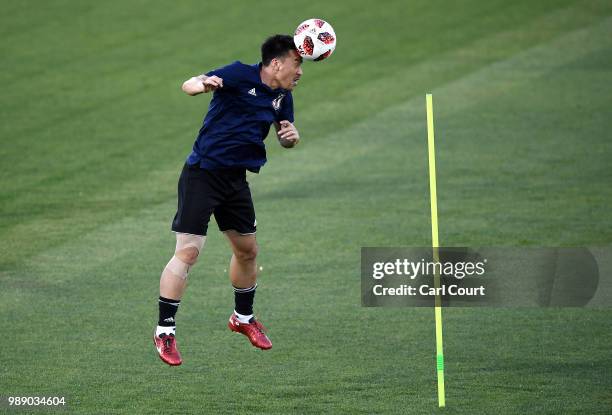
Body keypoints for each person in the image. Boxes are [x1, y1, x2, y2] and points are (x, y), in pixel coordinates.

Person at [153, 34, 303, 366]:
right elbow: (190, 84)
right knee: (189, 251)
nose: (300, 71)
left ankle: (243, 319)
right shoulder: (238, 74)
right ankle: (165, 330)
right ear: (276, 63)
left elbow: (285, 133)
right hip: (203, 174)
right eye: (297, 63)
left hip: (236, 181)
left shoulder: (282, 97)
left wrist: (289, 138)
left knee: (248, 252)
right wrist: (202, 85)